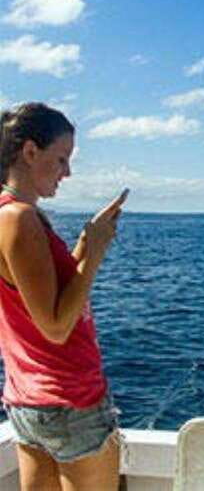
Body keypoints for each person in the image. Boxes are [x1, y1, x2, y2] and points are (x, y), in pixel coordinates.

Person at [0, 103, 127, 491]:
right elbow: (56, 328)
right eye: (61, 159)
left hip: (28, 398)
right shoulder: (19, 219)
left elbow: (42, 300)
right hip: (69, 400)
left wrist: (85, 246)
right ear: (30, 152)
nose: (67, 173)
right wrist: (97, 256)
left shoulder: (11, 214)